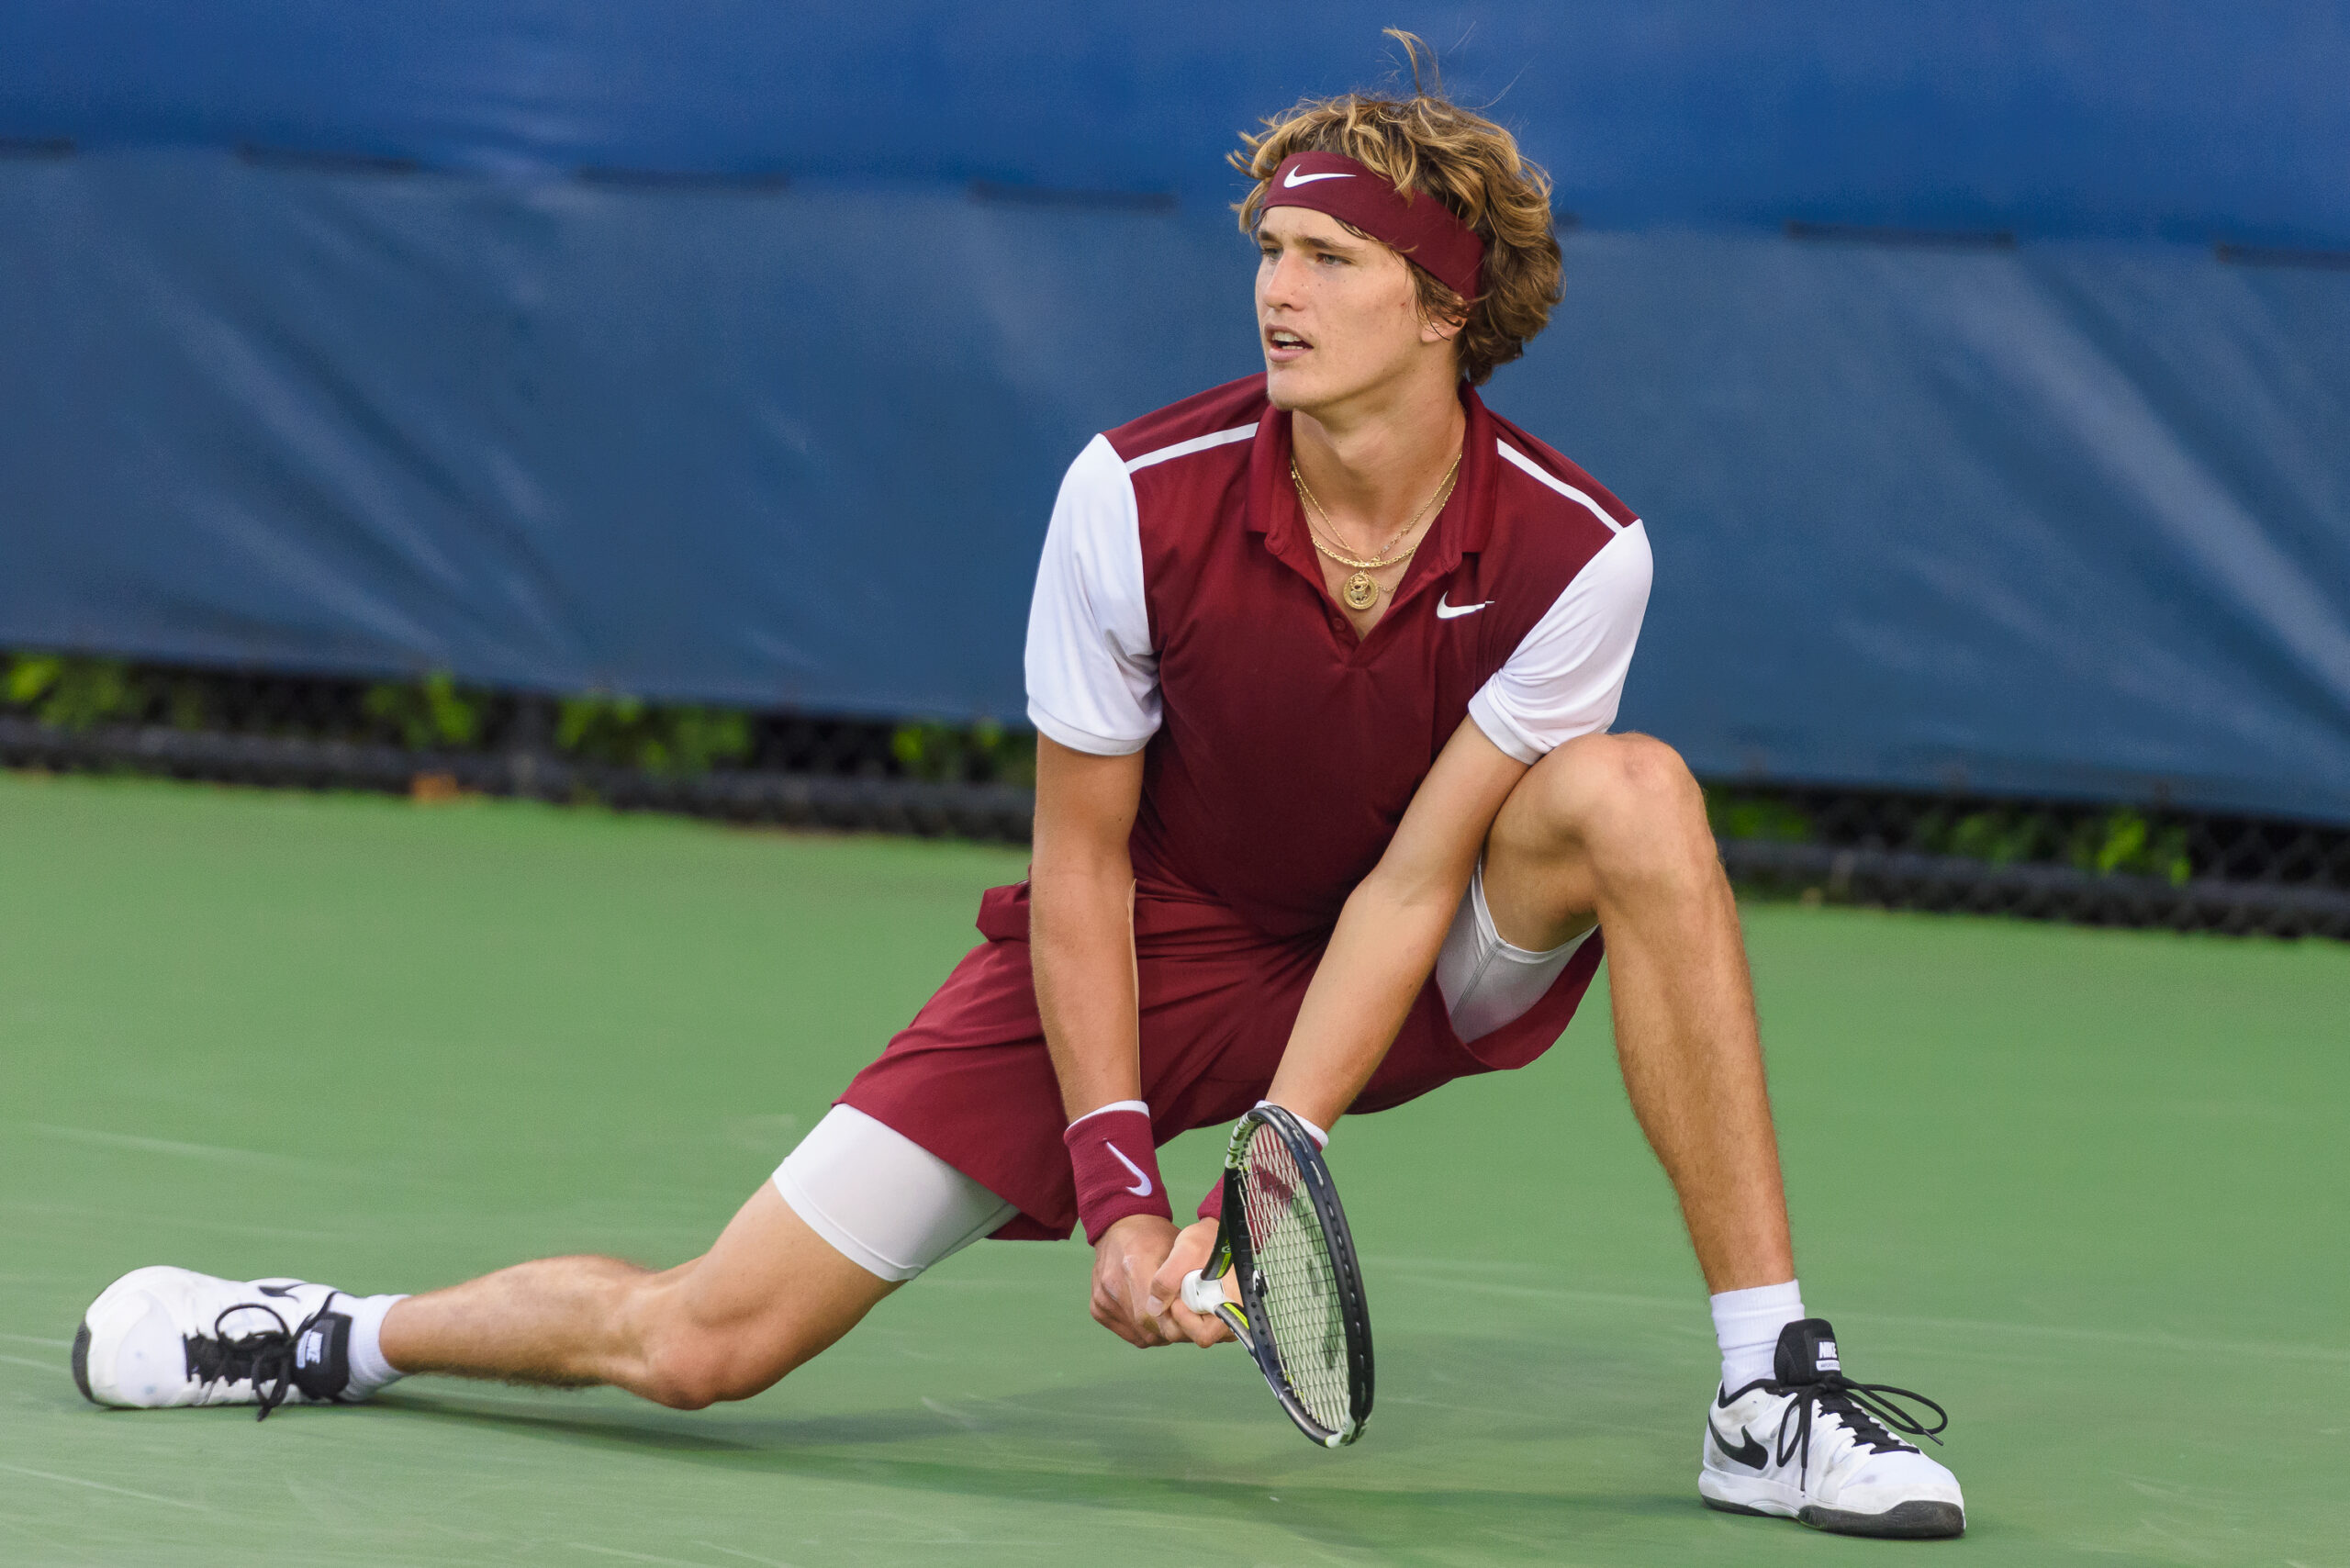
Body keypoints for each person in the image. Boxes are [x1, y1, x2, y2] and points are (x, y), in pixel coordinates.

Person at [71, 43, 1964, 1540]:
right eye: (1267, 250)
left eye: (1328, 261)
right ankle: (329, 1330)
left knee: (1632, 798)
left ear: (1442, 306)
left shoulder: (1571, 547)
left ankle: (1762, 1386)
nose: (1274, 290)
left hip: (1408, 939)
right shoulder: (1131, 498)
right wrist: (1126, 1190)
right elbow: (1076, 867)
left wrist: (1269, 1174)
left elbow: (1410, 881)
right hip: (1141, 936)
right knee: (705, 1337)